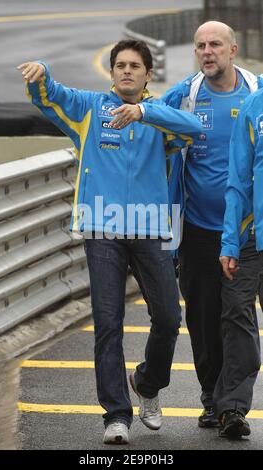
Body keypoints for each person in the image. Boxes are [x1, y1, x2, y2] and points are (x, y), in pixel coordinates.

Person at [17, 40, 202, 445]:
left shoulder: (159, 118)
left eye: (135, 66)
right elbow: (49, 96)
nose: (126, 71)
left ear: (148, 74)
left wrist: (145, 112)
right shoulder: (88, 108)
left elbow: (194, 129)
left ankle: (148, 386)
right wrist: (42, 70)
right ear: (112, 72)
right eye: (120, 65)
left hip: (151, 232)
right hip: (103, 232)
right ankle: (116, 416)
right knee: (108, 324)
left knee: (170, 319)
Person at [160, 21, 263, 428]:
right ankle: (212, 398)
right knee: (204, 320)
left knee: (238, 317)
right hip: (199, 229)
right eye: (200, 45)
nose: (207, 51)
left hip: (247, 230)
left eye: (215, 44)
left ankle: (231, 406)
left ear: (233, 50)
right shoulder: (185, 96)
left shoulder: (256, 95)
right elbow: (150, 125)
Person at [217, 87, 263, 439]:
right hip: (251, 238)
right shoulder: (253, 106)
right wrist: (230, 241)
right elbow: (237, 180)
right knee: (236, 313)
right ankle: (232, 408)